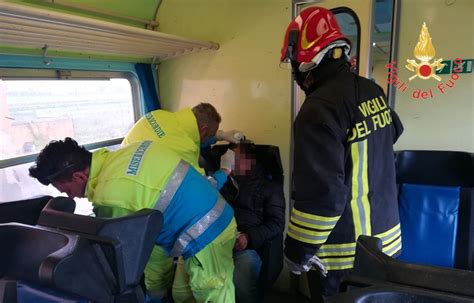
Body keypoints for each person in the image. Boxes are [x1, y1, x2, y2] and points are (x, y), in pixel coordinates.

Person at [279, 7, 404, 300]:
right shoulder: (372, 91)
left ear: (306, 60)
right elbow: (392, 133)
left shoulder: (318, 109)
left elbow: (322, 198)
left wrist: (296, 251)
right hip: (387, 245)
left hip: (344, 259)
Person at [29, 137, 237, 303]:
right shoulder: (130, 149)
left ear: (78, 177)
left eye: (66, 190)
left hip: (207, 234)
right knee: (183, 295)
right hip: (210, 214)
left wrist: (155, 291)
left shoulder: (110, 197)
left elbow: (139, 254)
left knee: (211, 294)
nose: (71, 197)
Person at [121, 102, 243, 301]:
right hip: (152, 209)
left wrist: (218, 135)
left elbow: (187, 137)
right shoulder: (184, 148)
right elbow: (203, 189)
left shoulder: (159, 116)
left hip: (130, 195)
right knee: (159, 277)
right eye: (209, 134)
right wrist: (224, 171)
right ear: (203, 129)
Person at [220, 142, 285, 303]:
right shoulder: (223, 184)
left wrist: (248, 237)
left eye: (236, 159)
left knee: (240, 281)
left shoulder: (269, 187)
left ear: (250, 162)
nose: (232, 162)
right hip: (219, 244)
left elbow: (277, 223)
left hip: (248, 246)